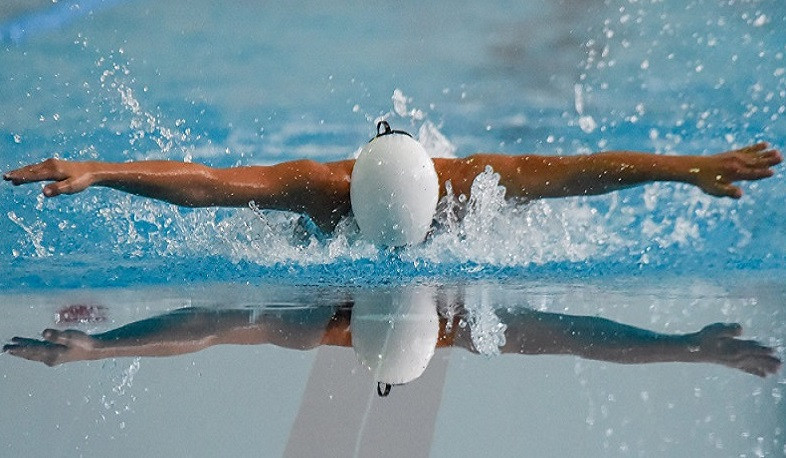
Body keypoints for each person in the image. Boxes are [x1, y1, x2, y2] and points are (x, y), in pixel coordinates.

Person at [3, 141, 781, 233]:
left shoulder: (468, 186)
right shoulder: (320, 189)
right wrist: (101, 172)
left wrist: (692, 166)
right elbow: (211, 185)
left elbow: (585, 173)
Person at [2, 289, 781, 378]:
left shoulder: (305, 320)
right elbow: (581, 334)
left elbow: (209, 324)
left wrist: (101, 346)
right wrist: (690, 346)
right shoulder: (467, 321)